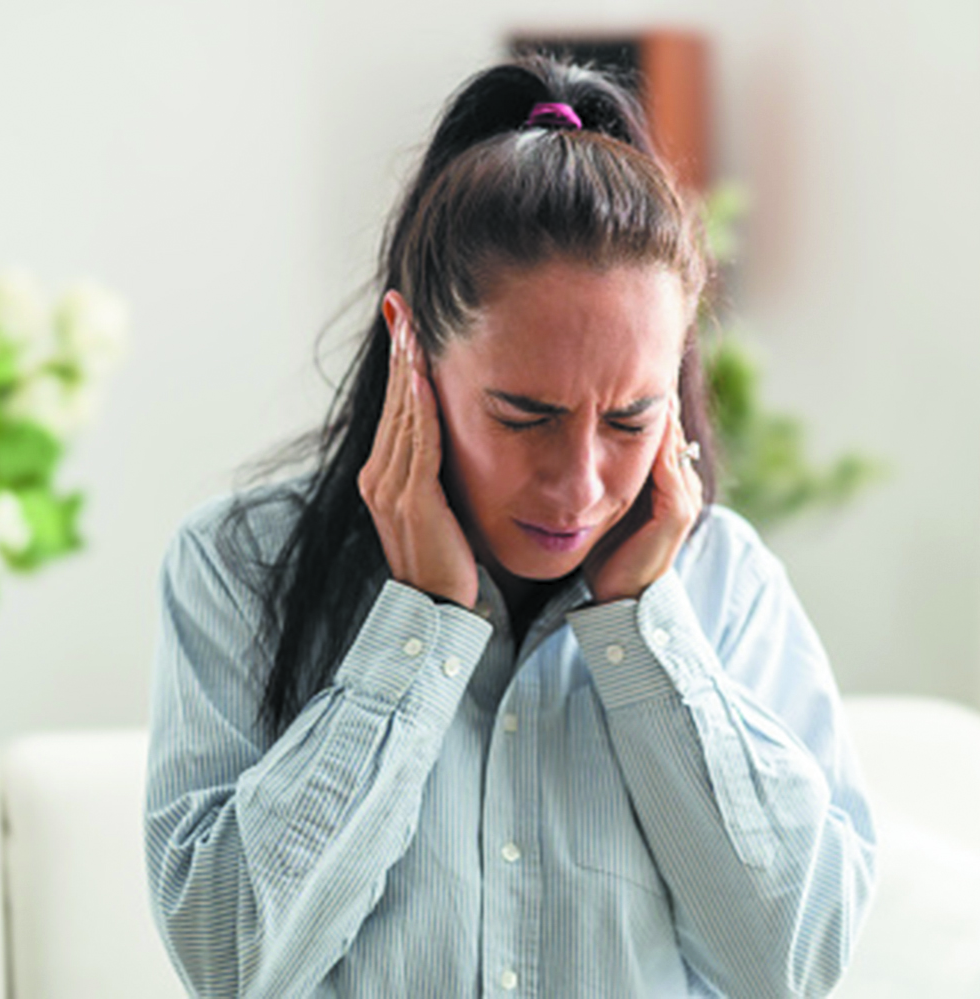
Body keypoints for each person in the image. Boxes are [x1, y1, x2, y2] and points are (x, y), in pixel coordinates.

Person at [144, 55, 877, 998]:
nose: (579, 486)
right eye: (525, 416)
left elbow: (793, 964)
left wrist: (643, 632)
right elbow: (233, 961)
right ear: (411, 347)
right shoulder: (238, 566)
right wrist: (418, 629)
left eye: (630, 420)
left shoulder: (727, 587)